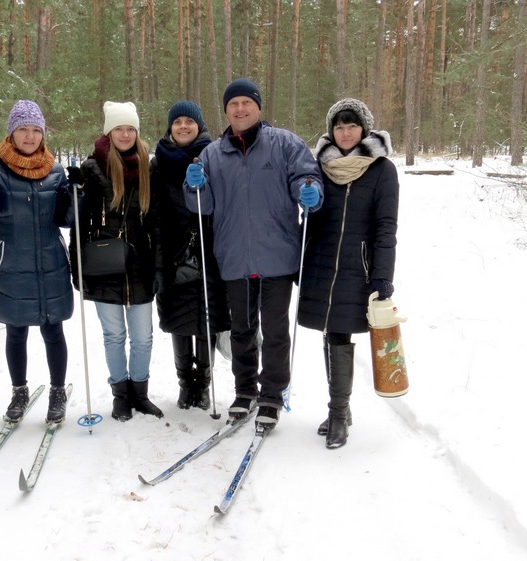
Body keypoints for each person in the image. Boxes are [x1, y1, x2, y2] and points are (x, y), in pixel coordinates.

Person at [184, 78, 323, 430]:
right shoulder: (213, 154)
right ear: (226, 110)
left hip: (277, 254)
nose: (240, 109)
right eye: (234, 104)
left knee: (275, 330)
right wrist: (193, 185)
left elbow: (306, 176)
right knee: (242, 330)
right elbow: (204, 205)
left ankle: (272, 394)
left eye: (247, 103)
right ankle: (245, 390)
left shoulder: (285, 144)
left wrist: (311, 192)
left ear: (258, 108)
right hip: (234, 255)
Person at [0, 99, 78, 424]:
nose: (29, 136)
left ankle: (58, 391)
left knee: (52, 329)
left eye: (35, 130)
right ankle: (19, 390)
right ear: (12, 133)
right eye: (23, 130)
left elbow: (67, 220)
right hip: (10, 264)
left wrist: (76, 191)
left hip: (50, 262)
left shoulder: (55, 170)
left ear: (42, 134)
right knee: (16, 331)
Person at [297, 98, 399, 449]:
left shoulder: (382, 169)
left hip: (359, 267)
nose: (344, 132)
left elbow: (386, 226)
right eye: (338, 126)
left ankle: (339, 413)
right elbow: (309, 219)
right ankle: (341, 409)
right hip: (322, 264)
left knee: (340, 336)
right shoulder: (319, 166)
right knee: (329, 334)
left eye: (351, 125)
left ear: (364, 130)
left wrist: (382, 275)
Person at [69, 101, 164, 422]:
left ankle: (140, 394)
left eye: (130, 128)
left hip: (140, 267)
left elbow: (157, 225)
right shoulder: (91, 169)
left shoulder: (149, 169)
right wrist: (77, 268)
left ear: (137, 132)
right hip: (103, 266)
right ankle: (120, 395)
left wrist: (160, 266)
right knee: (114, 336)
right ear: (109, 132)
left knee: (143, 337)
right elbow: (78, 226)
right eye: (119, 128)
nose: (125, 134)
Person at [152, 101, 230, 410]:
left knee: (207, 320)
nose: (183, 126)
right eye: (177, 122)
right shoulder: (158, 164)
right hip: (174, 254)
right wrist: (158, 263)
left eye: (190, 121)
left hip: (210, 253)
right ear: (170, 127)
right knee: (179, 321)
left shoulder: (214, 157)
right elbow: (155, 216)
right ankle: (186, 383)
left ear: (200, 125)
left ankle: (204, 384)